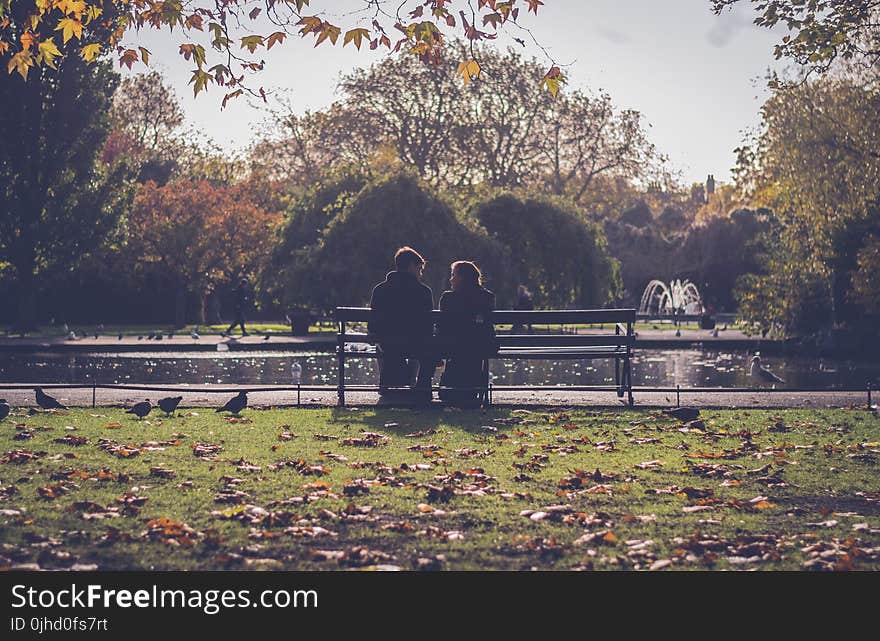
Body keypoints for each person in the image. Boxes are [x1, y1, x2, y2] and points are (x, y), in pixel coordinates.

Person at [369, 247, 436, 400]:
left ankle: (388, 384)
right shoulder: (423, 291)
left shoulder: (380, 290)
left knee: (383, 345)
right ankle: (419, 386)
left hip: (388, 344)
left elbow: (373, 325)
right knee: (426, 345)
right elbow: (427, 326)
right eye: (419, 269)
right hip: (416, 344)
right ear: (411, 266)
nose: (421, 273)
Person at [437, 260, 497, 407]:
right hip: (481, 346)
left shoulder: (448, 298)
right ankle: (473, 385)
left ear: (462, 277)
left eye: (453, 275)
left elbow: (441, 327)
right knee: (471, 346)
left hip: (452, 346)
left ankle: (428, 389)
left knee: (455, 346)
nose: (451, 279)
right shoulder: (487, 297)